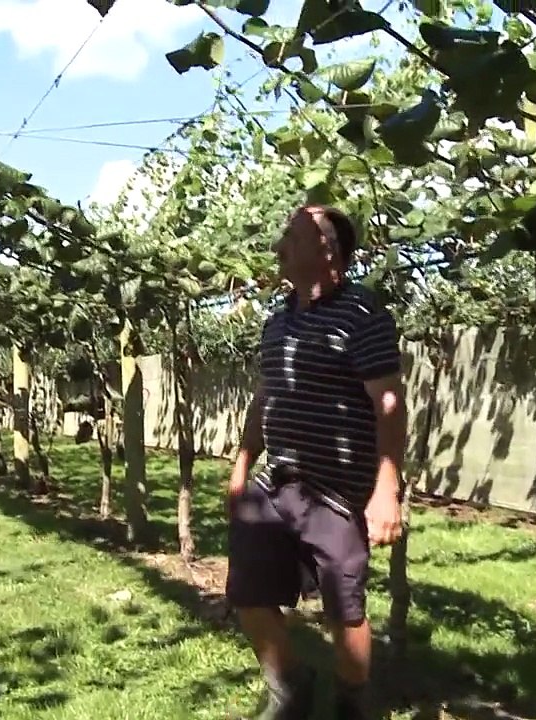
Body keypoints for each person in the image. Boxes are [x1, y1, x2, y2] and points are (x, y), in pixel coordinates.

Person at [226, 205, 407, 720]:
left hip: (336, 489)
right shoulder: (277, 320)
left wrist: (386, 489)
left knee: (344, 609)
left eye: (292, 238)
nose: (280, 248)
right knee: (248, 591)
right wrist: (242, 464)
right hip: (275, 480)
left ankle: (353, 703)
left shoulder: (362, 315)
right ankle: (290, 688)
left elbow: (388, 402)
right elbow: (266, 398)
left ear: (328, 250)